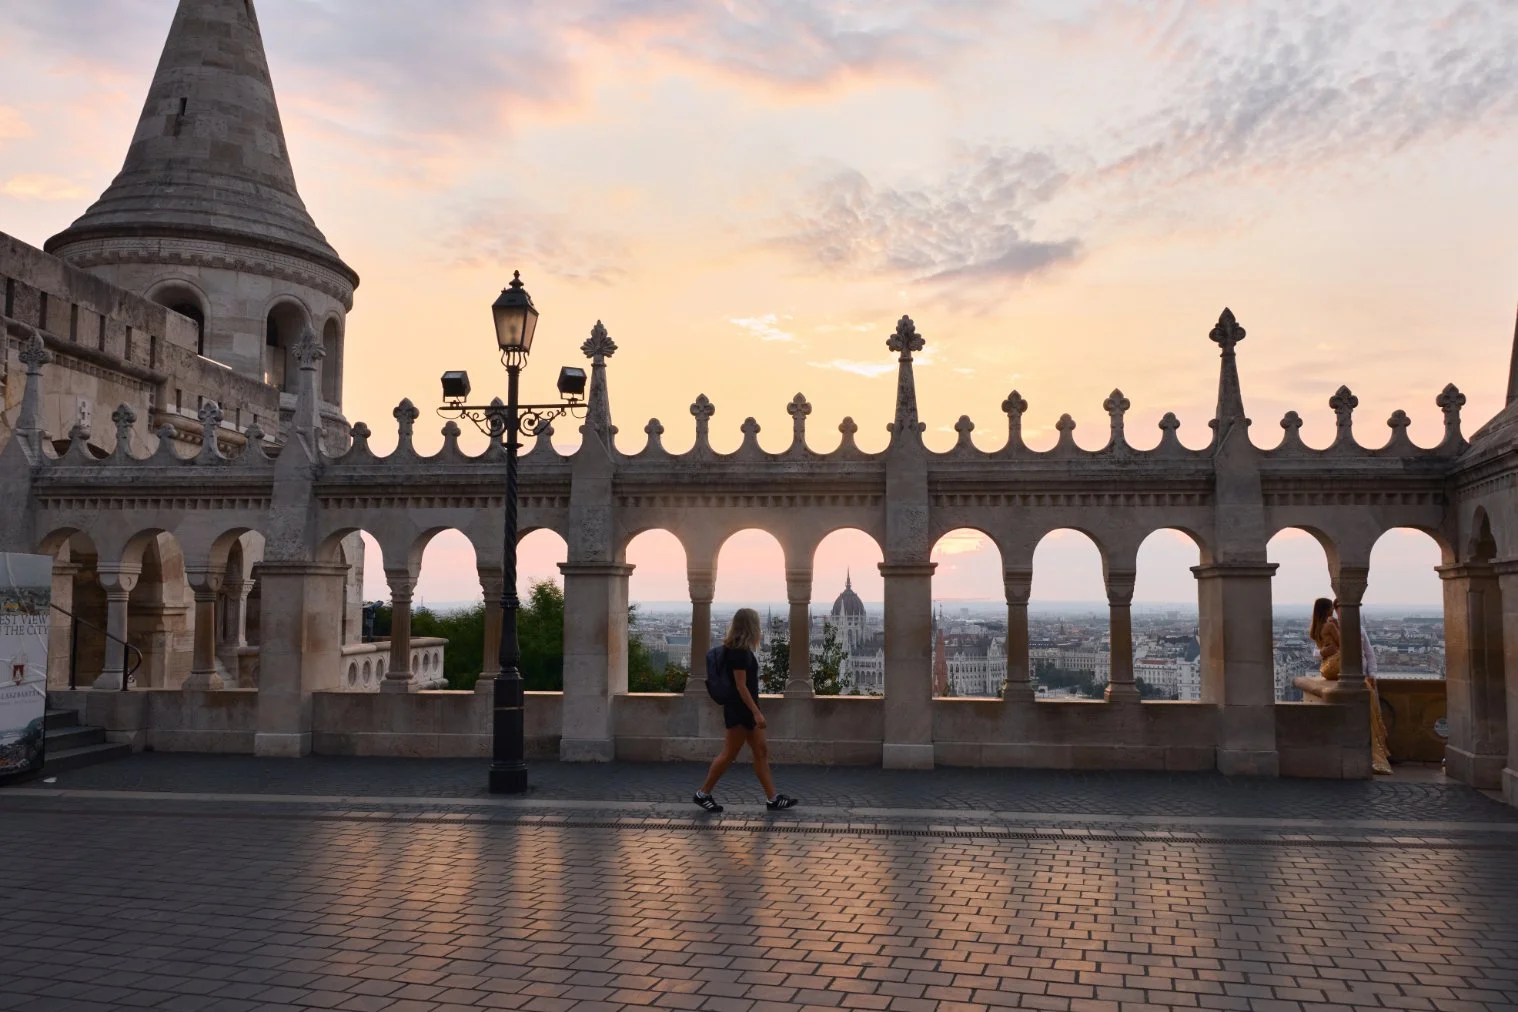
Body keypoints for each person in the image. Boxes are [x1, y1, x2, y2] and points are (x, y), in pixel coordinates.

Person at [693, 607, 798, 812]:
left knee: (760, 751)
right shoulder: (739, 652)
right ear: (752, 626)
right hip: (740, 710)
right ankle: (702, 793)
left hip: (745, 709)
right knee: (729, 754)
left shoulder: (738, 649)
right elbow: (741, 686)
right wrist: (756, 712)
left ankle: (772, 798)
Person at [1335, 598, 1392, 775]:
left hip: (1365, 678)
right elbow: (1317, 651)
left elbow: (1370, 654)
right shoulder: (1333, 629)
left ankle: (1378, 752)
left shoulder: (1360, 630)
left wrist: (1372, 674)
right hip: (1348, 678)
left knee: (1373, 717)